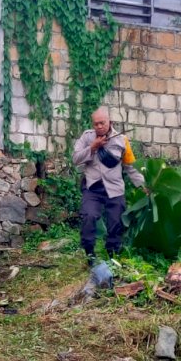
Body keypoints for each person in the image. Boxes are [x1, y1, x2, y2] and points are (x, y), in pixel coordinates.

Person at [72, 107, 145, 262]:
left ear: (109, 122)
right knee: (89, 216)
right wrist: (93, 147)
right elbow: (75, 159)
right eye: (96, 124)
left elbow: (130, 166)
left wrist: (143, 185)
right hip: (93, 188)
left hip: (114, 188)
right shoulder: (87, 137)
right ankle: (89, 253)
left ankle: (113, 255)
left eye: (102, 123)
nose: (99, 126)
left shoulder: (122, 140)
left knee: (116, 222)